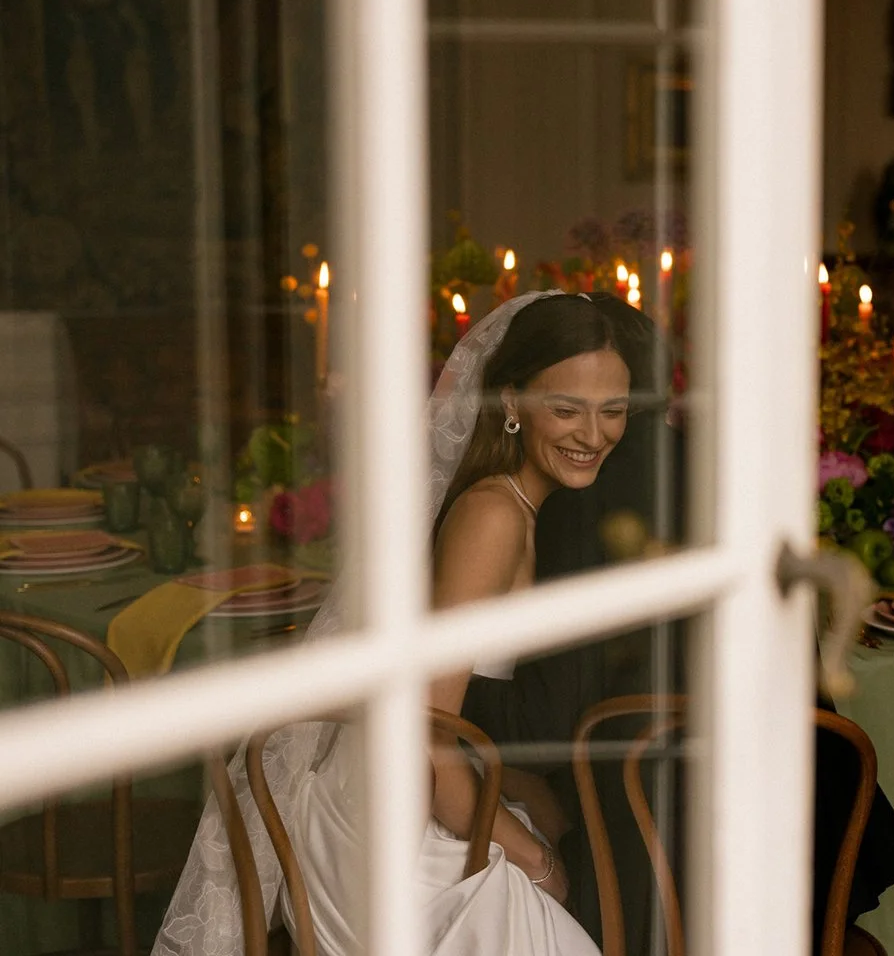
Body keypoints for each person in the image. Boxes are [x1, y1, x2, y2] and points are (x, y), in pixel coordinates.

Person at [155, 290, 644, 956]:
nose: (593, 436)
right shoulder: (493, 517)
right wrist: (537, 860)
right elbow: (428, 731)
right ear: (509, 402)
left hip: (410, 795)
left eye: (612, 411)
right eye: (565, 409)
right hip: (389, 829)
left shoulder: (519, 505)